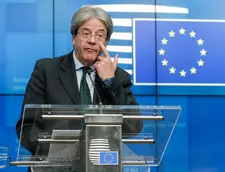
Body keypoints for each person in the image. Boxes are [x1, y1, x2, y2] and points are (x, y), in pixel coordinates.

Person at [16, 5, 143, 171]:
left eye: (100, 35)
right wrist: (56, 155)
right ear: (73, 37)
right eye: (85, 33)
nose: (92, 40)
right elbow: (27, 127)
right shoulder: (46, 70)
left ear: (106, 42)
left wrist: (110, 82)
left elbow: (133, 126)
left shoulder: (118, 77)